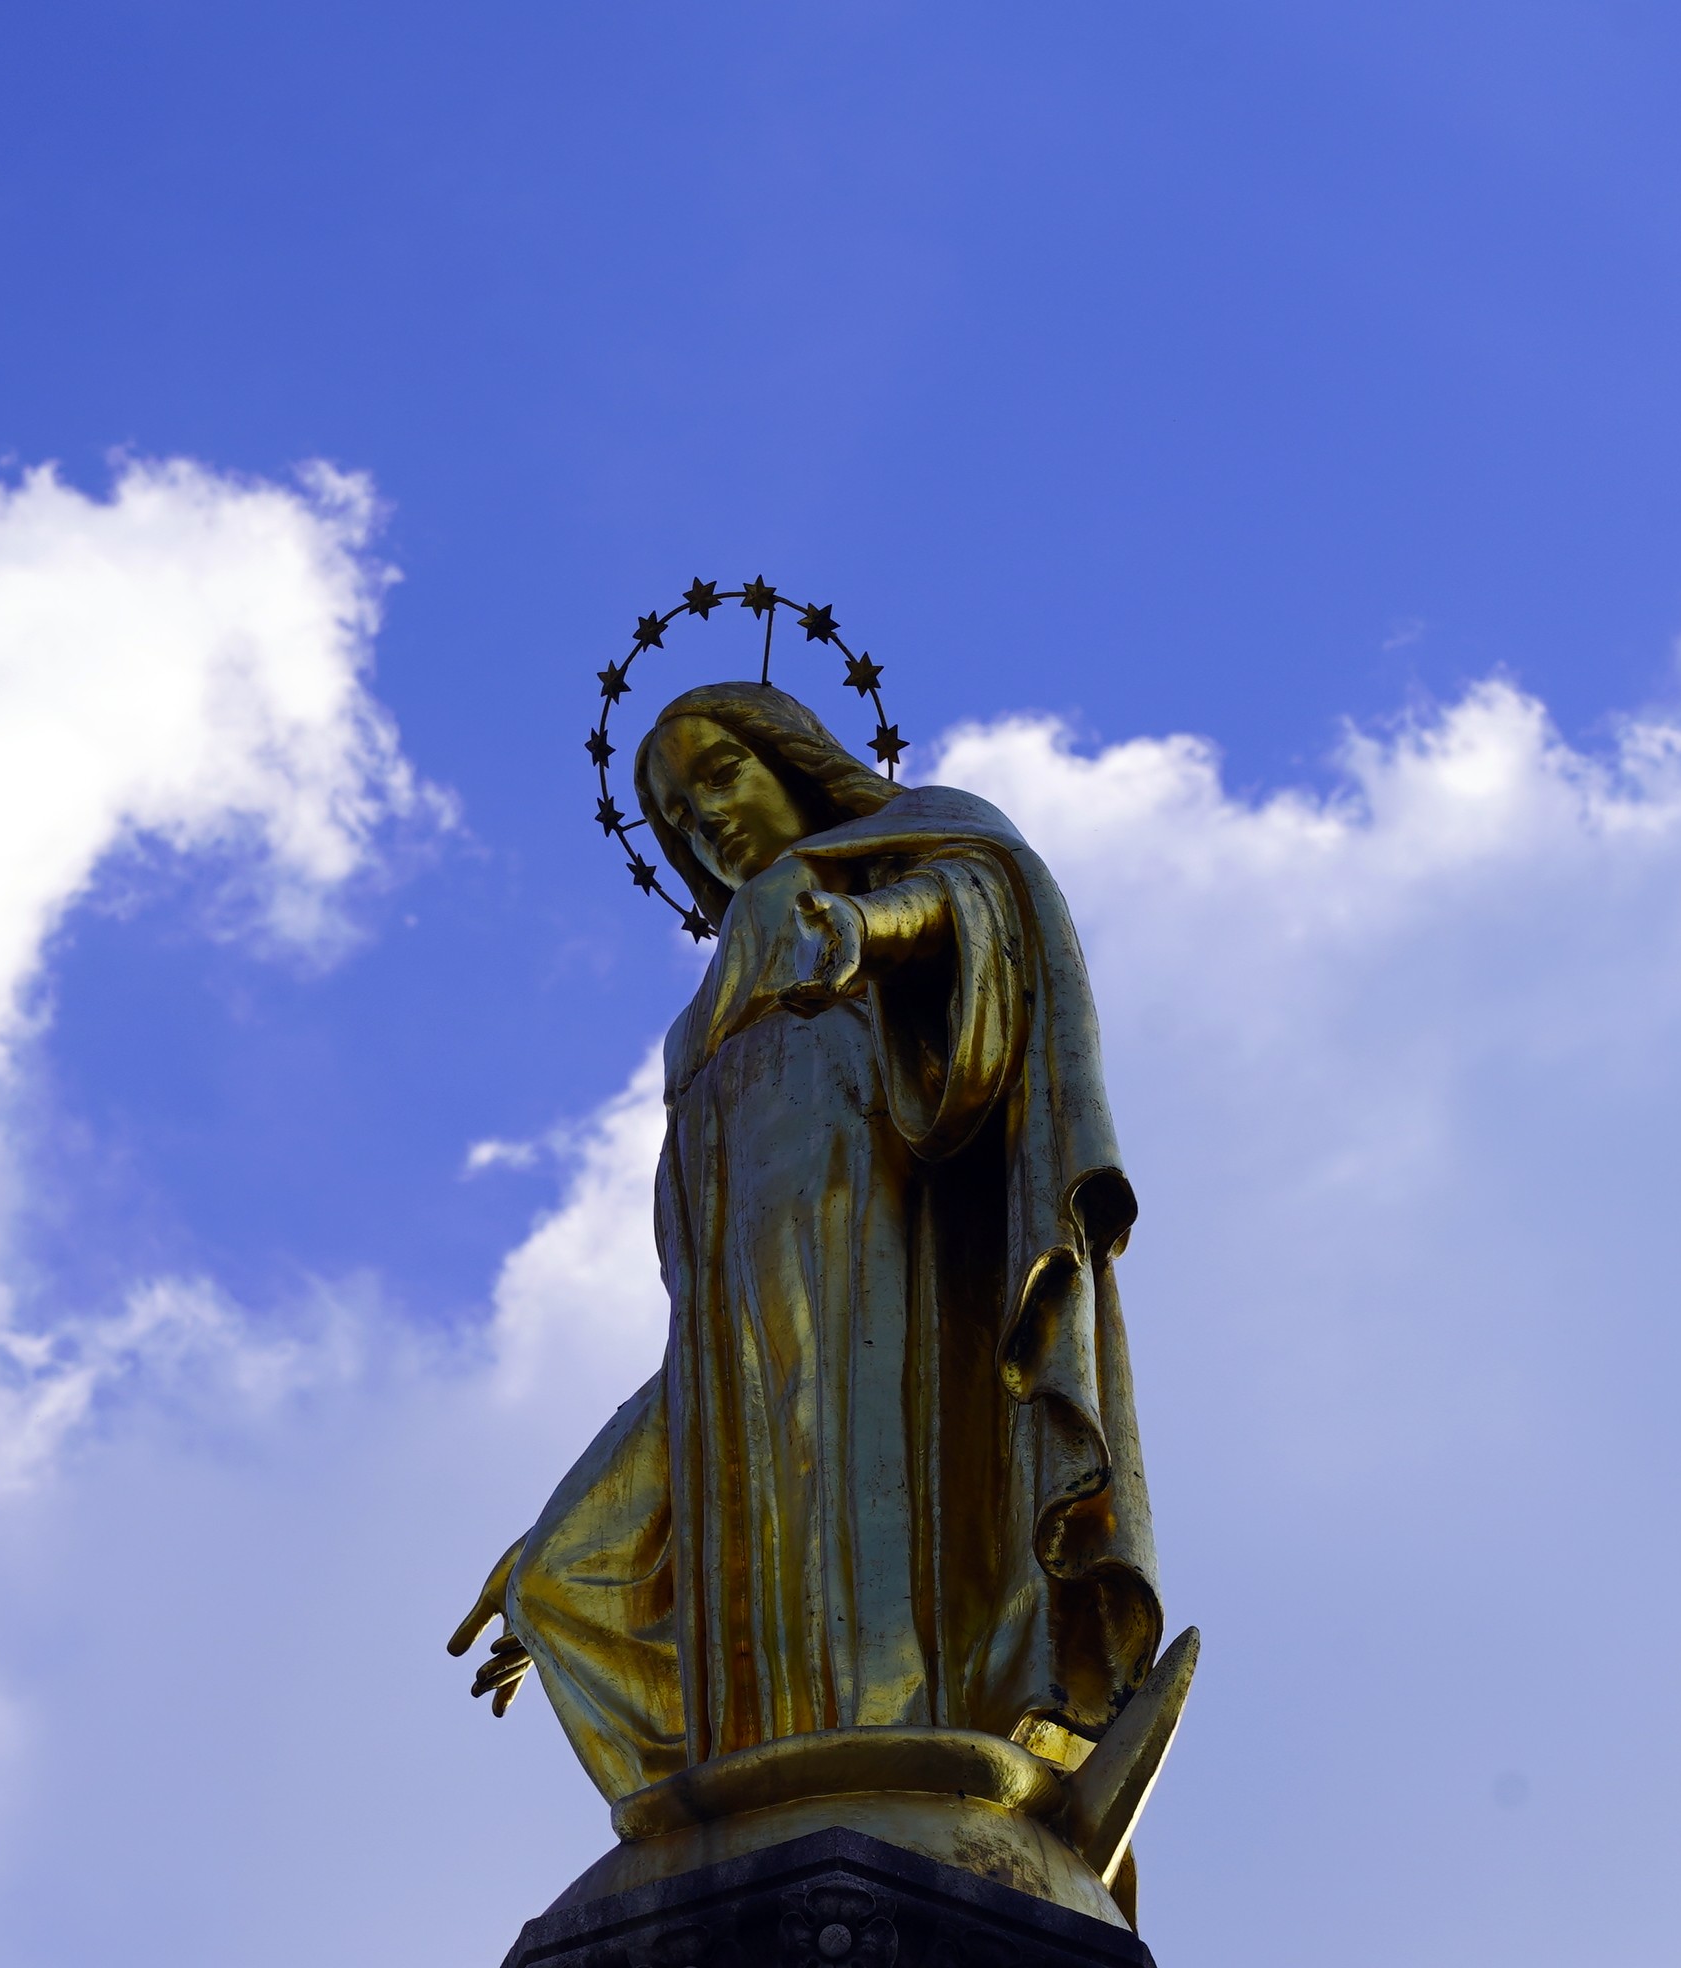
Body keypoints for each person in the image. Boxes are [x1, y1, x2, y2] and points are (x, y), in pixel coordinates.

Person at [458, 685, 1161, 1796]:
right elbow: (711, 1317)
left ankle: (895, 1766)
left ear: (792, 759)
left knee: (864, 1517)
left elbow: (990, 901)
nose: (706, 820)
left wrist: (869, 929)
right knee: (559, 1581)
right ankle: (733, 1808)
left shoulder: (892, 862)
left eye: (721, 775)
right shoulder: (699, 1023)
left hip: (882, 1264)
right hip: (737, 1344)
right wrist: (579, 1522)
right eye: (677, 816)